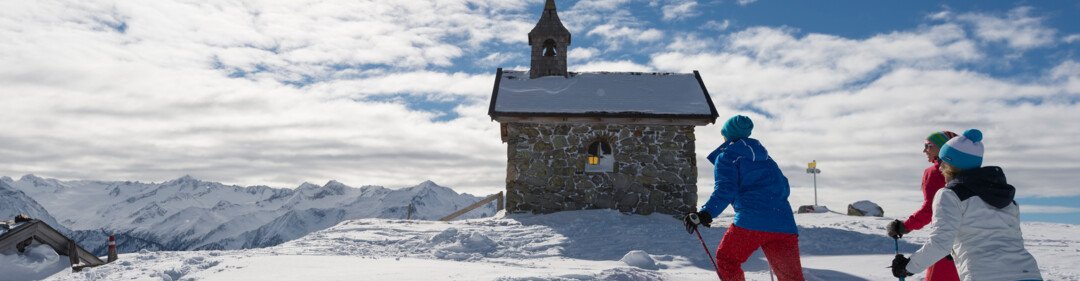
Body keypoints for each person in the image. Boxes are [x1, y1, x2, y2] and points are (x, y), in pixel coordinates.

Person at [891, 129, 1042, 281]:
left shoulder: (949, 194)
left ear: (950, 163)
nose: (940, 167)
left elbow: (940, 243)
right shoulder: (1006, 198)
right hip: (1029, 274)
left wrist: (907, 267)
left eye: (942, 161)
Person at [683, 115, 804, 281]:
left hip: (751, 222)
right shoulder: (768, 160)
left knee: (727, 259)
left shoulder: (727, 157)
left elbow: (725, 189)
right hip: (784, 224)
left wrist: (706, 213)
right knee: (792, 277)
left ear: (727, 135)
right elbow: (784, 187)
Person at [886, 131, 960, 281]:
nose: (924, 150)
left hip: (945, 246)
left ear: (942, 147)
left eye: (928, 145)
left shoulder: (934, 172)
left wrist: (904, 226)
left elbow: (930, 209)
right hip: (972, 247)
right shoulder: (969, 171)